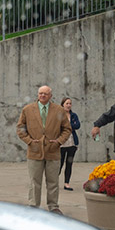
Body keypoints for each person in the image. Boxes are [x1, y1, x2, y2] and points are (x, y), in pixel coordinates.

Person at [17, 85, 71, 213]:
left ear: (50, 96)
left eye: (45, 94)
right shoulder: (28, 109)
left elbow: (67, 129)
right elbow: (20, 128)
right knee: (35, 182)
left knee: (53, 181)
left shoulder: (59, 110)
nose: (42, 95)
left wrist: (59, 141)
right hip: (34, 151)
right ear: (37, 94)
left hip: (53, 151)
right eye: (40, 93)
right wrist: (30, 141)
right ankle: (33, 206)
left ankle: (53, 207)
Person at [59, 97, 80, 190]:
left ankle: (66, 183)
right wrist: (70, 126)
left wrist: (67, 126)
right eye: (67, 103)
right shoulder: (58, 115)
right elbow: (56, 127)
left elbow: (77, 125)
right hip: (61, 143)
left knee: (69, 164)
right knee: (59, 163)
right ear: (62, 104)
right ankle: (54, 182)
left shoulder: (74, 115)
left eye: (70, 103)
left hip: (72, 143)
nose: (68, 105)